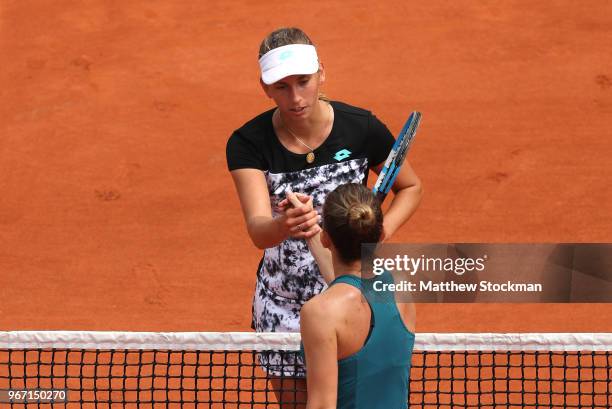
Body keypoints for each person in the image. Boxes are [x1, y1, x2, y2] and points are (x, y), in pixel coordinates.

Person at [225, 26, 422, 392]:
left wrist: (382, 231)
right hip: (284, 305)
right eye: (282, 87)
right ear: (265, 88)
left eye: (303, 81)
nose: (295, 97)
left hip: (354, 299)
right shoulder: (247, 144)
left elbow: (410, 187)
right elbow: (257, 230)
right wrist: (285, 224)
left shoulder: (361, 128)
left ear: (321, 74)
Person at [300, 183, 416, 409]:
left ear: (326, 239)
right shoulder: (401, 288)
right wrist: (311, 227)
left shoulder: (320, 313)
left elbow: (322, 405)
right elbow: (352, 285)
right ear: (381, 234)